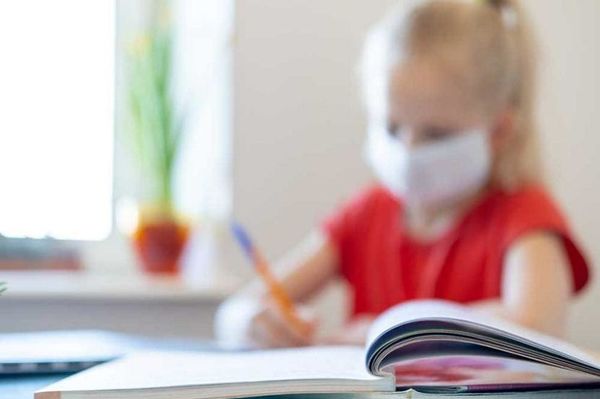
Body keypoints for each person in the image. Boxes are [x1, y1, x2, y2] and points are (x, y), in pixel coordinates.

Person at [215, 0, 590, 348]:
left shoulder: (524, 216)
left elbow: (537, 325)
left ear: (500, 132)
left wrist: (388, 333)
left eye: (436, 133)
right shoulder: (364, 214)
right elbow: (237, 310)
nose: (408, 151)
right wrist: (250, 322)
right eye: (392, 127)